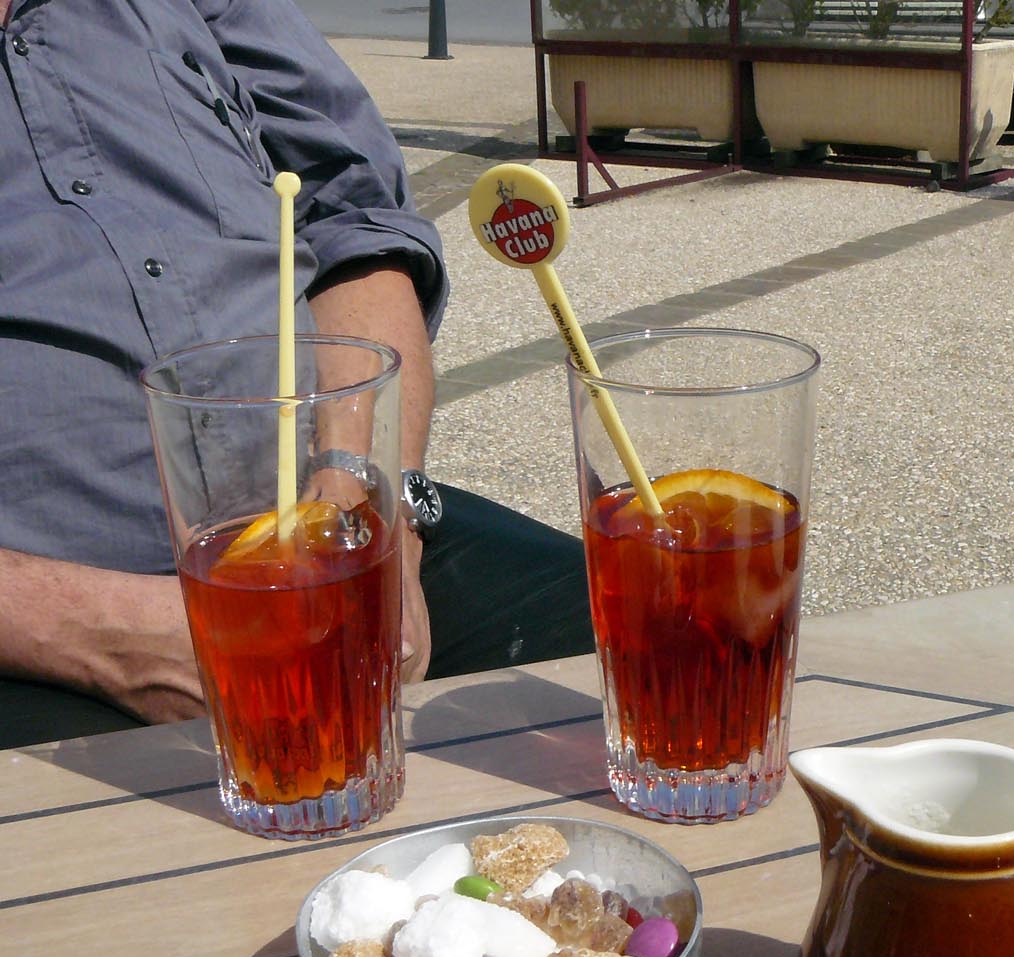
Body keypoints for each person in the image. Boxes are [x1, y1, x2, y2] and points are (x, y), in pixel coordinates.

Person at [0, 0, 592, 751]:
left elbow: (355, 220)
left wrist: (367, 512)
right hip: (48, 633)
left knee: (658, 655)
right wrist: (101, 634)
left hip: (334, 531)